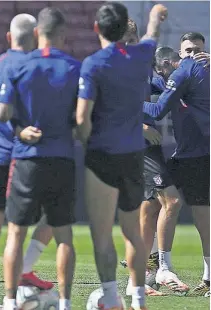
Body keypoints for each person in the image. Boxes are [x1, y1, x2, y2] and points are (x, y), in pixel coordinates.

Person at [75, 2, 167, 309]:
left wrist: (84, 139)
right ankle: (138, 299)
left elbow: (81, 118)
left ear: (97, 29)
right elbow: (152, 34)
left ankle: (112, 297)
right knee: (132, 232)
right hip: (132, 156)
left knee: (102, 233)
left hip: (102, 155)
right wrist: (155, 16)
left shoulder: (93, 64)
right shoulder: (141, 58)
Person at [0, 13, 54, 310]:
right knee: (54, 214)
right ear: (37, 37)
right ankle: (22, 273)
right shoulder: (33, 68)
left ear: (9, 37)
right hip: (19, 158)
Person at [0, 7, 79, 310]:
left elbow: (1, 113)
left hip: (27, 159)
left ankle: (8, 302)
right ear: (62, 33)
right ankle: (66, 303)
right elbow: (82, 117)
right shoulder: (73, 68)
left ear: (36, 33)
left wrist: (21, 130)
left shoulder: (18, 66)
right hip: (62, 158)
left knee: (16, 232)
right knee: (64, 234)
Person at [121, 20, 188, 297]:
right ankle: (162, 268)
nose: (131, 41)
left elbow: (162, 87)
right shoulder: (118, 68)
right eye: (126, 37)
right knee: (171, 200)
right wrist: (140, 126)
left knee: (147, 211)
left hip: (148, 147)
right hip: (136, 146)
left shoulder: (141, 69)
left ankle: (140, 280)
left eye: (133, 36)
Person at [143, 44, 210, 297]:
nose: (190, 55)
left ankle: (161, 267)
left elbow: (158, 109)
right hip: (185, 155)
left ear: (167, 64)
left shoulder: (186, 74)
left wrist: (126, 105)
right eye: (186, 51)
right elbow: (158, 89)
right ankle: (152, 266)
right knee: (152, 204)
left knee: (197, 214)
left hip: (201, 156)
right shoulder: (186, 76)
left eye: (194, 50)